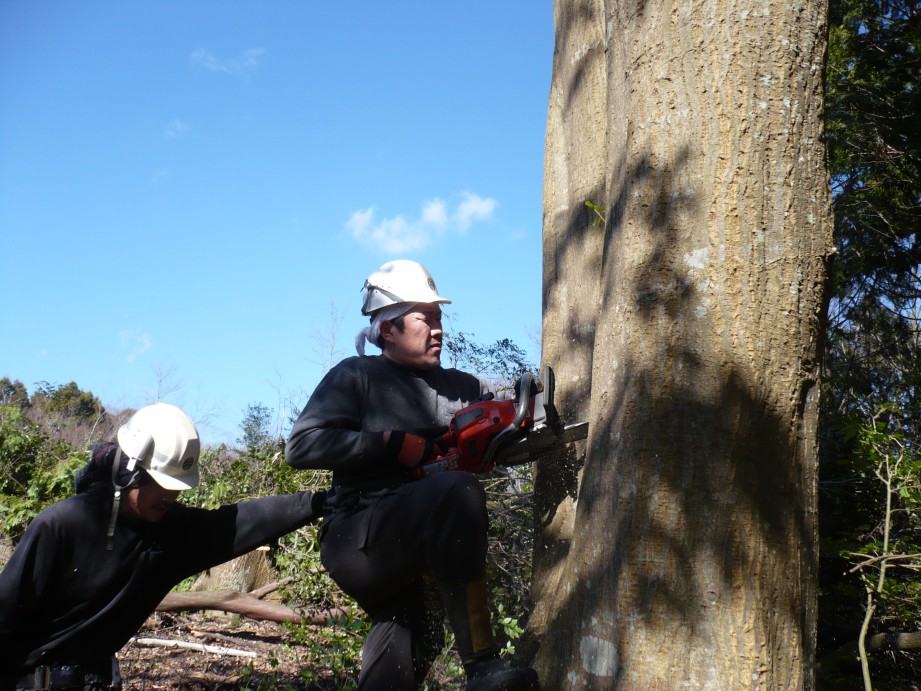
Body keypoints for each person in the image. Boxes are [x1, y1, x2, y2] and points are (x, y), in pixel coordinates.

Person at [286, 259, 539, 691]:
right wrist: (385, 443)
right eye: (426, 319)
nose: (438, 328)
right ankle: (481, 665)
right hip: (358, 535)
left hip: (417, 545)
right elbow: (301, 446)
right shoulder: (357, 375)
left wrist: (516, 421)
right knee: (458, 491)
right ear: (388, 329)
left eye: (440, 318)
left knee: (411, 635)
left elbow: (491, 431)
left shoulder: (462, 387)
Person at [0, 402, 326, 691]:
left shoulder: (171, 532)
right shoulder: (62, 525)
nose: (171, 495)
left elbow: (241, 522)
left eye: (177, 487)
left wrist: (317, 502)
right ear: (130, 470)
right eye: (161, 483)